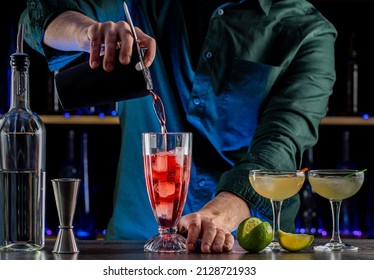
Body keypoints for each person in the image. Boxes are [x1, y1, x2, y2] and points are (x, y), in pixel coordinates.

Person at [19, 0, 336, 253]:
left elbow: (279, 147)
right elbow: (39, 16)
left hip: (248, 246)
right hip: (135, 247)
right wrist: (88, 33)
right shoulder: (144, 5)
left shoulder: (308, 32)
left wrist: (215, 217)